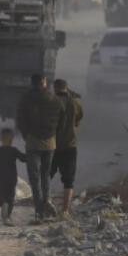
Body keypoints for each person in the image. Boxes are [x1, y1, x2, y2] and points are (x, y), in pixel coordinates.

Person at [14, 72, 61, 222]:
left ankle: (39, 210)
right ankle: (47, 200)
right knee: (45, 174)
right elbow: (59, 118)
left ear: (32, 83)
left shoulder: (26, 98)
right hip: (50, 143)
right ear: (44, 82)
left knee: (34, 178)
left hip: (33, 142)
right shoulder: (53, 98)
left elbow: (20, 119)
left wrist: (26, 135)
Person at [50, 78, 83, 219]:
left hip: (52, 146)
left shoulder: (51, 102)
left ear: (55, 88)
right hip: (70, 146)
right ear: (66, 88)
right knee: (68, 180)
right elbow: (78, 122)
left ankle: (44, 205)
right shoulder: (75, 102)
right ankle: (65, 210)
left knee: (46, 176)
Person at [0, 127, 27, 225]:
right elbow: (23, 158)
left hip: (1, 177)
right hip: (12, 177)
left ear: (1, 139)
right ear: (11, 140)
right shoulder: (14, 150)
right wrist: (30, 154)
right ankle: (7, 216)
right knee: (10, 196)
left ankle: (3, 204)